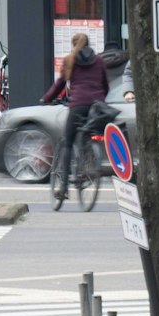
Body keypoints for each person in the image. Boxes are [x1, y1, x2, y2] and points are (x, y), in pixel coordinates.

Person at [42, 32, 109, 206]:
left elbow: (60, 84)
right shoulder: (99, 61)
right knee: (89, 133)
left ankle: (63, 187)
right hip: (96, 106)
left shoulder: (69, 60)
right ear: (89, 43)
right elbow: (105, 85)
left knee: (67, 143)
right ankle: (88, 164)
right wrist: (100, 100)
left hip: (78, 105)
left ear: (73, 44)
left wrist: (47, 98)